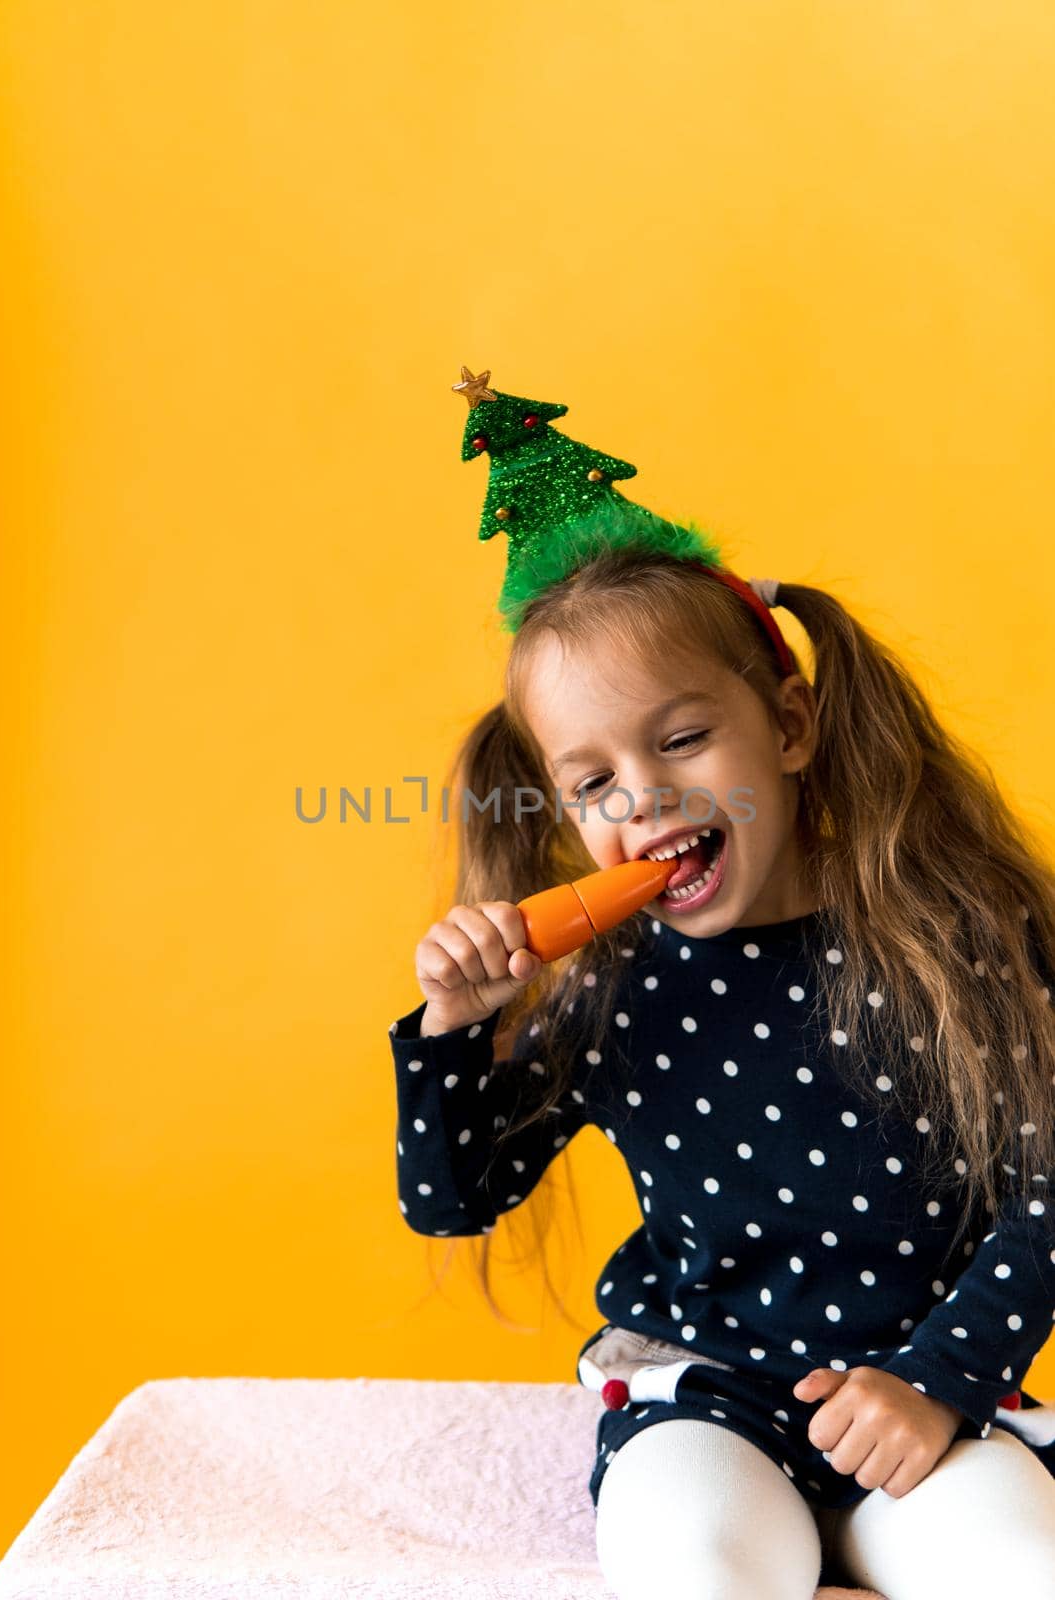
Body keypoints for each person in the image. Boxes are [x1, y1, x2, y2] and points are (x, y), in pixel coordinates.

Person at [386, 370, 1055, 1597]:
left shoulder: (946, 941)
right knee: (690, 1562)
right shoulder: (605, 988)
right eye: (590, 783)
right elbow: (451, 1199)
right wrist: (450, 1036)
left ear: (789, 727)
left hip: (923, 1394)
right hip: (701, 1399)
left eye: (680, 738)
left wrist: (940, 1376)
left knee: (1020, 1560)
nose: (636, 795)